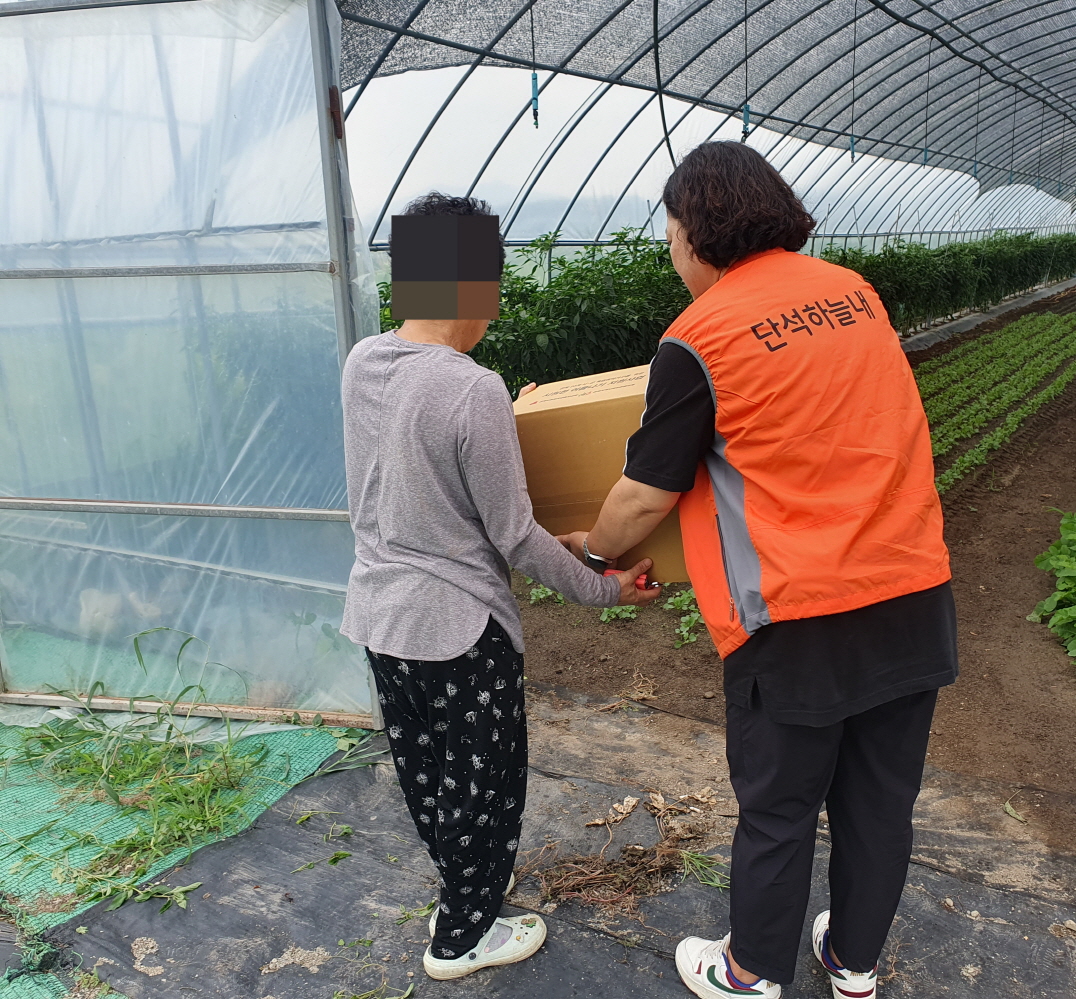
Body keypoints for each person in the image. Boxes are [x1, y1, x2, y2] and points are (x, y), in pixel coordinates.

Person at [563, 143, 957, 999]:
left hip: (797, 615)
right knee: (880, 800)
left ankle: (748, 973)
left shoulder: (698, 337)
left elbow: (644, 495)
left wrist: (593, 553)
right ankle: (853, 963)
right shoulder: (854, 293)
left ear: (698, 232)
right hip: (913, 591)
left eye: (670, 233)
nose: (671, 253)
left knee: (780, 807)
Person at [339, 192, 660, 981]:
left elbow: (423, 479)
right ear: (474, 289)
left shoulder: (362, 362)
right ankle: (462, 936)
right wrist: (604, 591)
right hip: (457, 628)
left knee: (427, 769)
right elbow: (513, 535)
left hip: (381, 617)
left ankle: (465, 885)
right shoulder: (473, 387)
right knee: (484, 780)